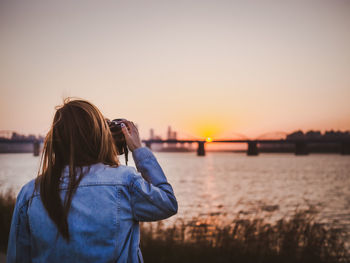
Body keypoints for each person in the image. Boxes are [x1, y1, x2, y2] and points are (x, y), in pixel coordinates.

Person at [6, 99, 178, 263]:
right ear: (99, 136)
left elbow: (18, 258)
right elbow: (168, 203)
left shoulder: (29, 194)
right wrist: (138, 150)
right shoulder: (125, 182)